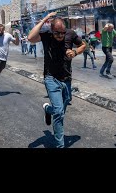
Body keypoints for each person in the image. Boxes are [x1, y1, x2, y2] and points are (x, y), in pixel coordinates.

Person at [28, 12, 86, 148]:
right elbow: (31, 37)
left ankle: (48, 109)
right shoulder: (46, 35)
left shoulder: (70, 34)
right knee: (59, 113)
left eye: (62, 33)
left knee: (63, 106)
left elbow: (84, 45)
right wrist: (45, 19)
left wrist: (75, 52)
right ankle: (60, 145)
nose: (60, 36)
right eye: (57, 33)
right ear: (52, 31)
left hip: (66, 78)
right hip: (51, 78)